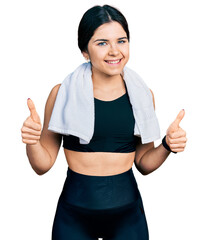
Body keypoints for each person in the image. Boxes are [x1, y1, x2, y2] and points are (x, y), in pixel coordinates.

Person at [21, 4, 187, 240]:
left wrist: (168, 146)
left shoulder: (142, 95)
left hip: (128, 214)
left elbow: (144, 164)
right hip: (74, 214)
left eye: (121, 41)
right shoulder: (61, 94)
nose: (114, 51)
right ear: (84, 51)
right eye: (102, 43)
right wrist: (31, 141)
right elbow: (42, 165)